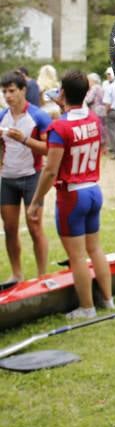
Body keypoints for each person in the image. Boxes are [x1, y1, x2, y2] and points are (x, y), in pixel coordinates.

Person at [27, 70, 114, 319]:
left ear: (62, 92)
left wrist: (36, 201)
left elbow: (50, 170)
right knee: (95, 249)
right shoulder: (93, 119)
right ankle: (108, 300)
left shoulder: (59, 126)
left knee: (76, 256)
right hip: (93, 189)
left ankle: (87, 307)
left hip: (72, 195)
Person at [0, 71, 51, 282]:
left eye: (12, 91)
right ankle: (16, 274)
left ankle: (42, 276)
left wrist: (24, 139)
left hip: (32, 177)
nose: (7, 96)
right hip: (7, 178)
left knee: (35, 227)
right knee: (9, 228)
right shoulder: (2, 116)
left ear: (23, 90)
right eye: (4, 91)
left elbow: (49, 149)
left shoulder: (38, 116)